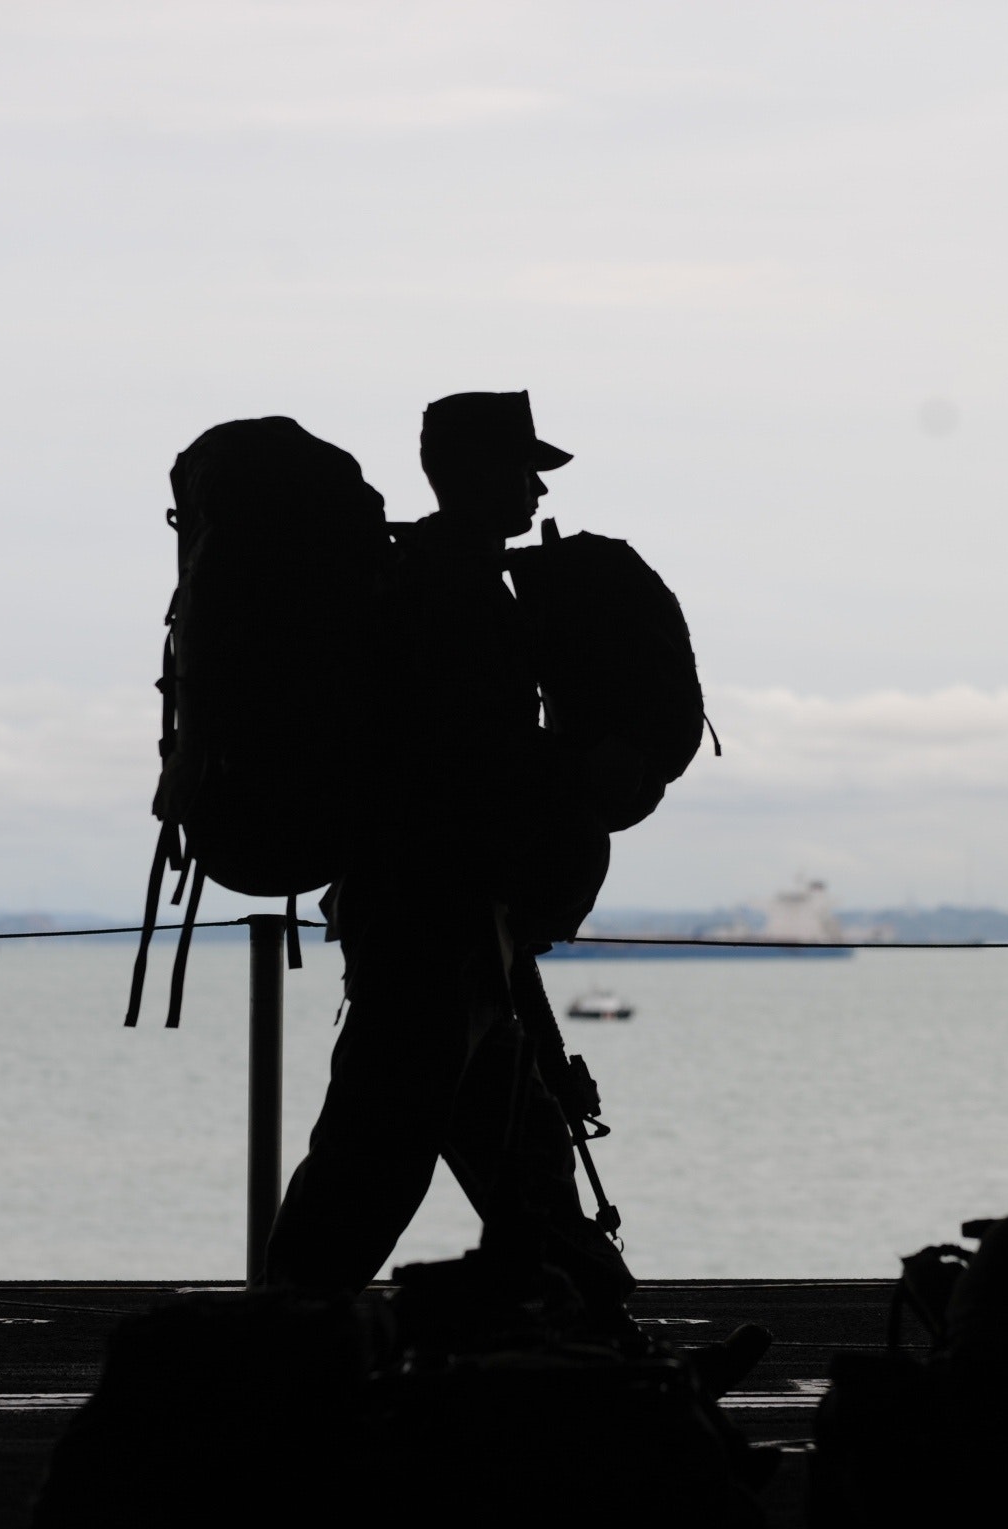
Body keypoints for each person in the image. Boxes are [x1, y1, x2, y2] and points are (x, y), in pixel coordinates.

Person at [263, 392, 634, 1328]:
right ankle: (279, 1348)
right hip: (434, 925)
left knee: (525, 1156)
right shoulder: (446, 591)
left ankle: (608, 1344)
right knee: (375, 1161)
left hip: (458, 928)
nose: (537, 483)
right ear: (472, 474)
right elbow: (465, 765)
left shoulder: (448, 580)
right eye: (523, 465)